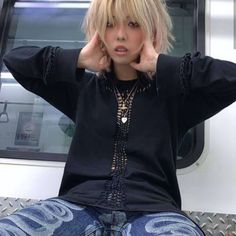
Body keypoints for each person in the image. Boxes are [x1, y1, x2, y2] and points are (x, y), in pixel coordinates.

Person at [2, 0, 236, 235]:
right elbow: (15, 60)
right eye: (109, 24)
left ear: (151, 28)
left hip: (153, 212)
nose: (121, 35)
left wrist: (162, 65)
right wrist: (79, 59)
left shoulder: (173, 96)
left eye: (133, 24)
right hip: (76, 207)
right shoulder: (82, 90)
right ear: (98, 30)